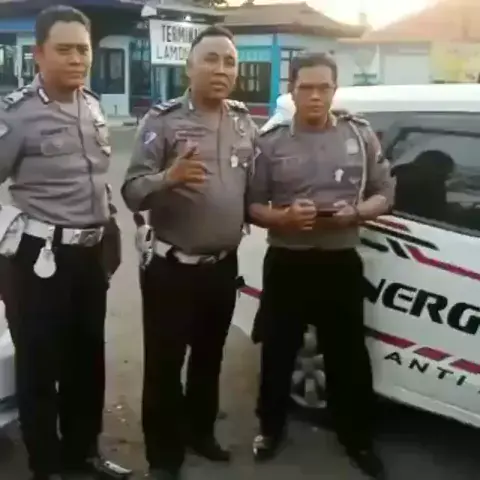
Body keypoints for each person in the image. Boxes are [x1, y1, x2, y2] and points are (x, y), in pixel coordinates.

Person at [248, 52, 395, 479]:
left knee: (348, 355)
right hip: (287, 261)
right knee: (278, 351)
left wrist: (358, 213)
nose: (315, 96)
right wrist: (284, 218)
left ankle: (357, 438)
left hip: (339, 261)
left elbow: (385, 192)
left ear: (335, 89)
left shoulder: (359, 135)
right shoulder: (270, 142)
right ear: (291, 90)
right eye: (306, 88)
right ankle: (270, 429)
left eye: (323, 87)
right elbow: (252, 205)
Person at [0, 6, 130, 480]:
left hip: (88, 256)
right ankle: (46, 465)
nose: (77, 59)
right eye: (65, 50)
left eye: (83, 49)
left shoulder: (91, 104)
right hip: (39, 259)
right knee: (40, 367)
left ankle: (83, 453)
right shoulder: (16, 114)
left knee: (86, 361)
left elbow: (94, 179)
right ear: (38, 54)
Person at [121, 25, 257, 480]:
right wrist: (169, 179)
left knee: (208, 357)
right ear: (189, 67)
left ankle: (200, 432)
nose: (221, 69)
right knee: (165, 364)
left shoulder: (243, 122)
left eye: (229, 62)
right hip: (171, 266)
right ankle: (163, 457)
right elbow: (131, 191)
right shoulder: (162, 121)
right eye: (211, 59)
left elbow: (252, 187)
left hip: (221, 267)